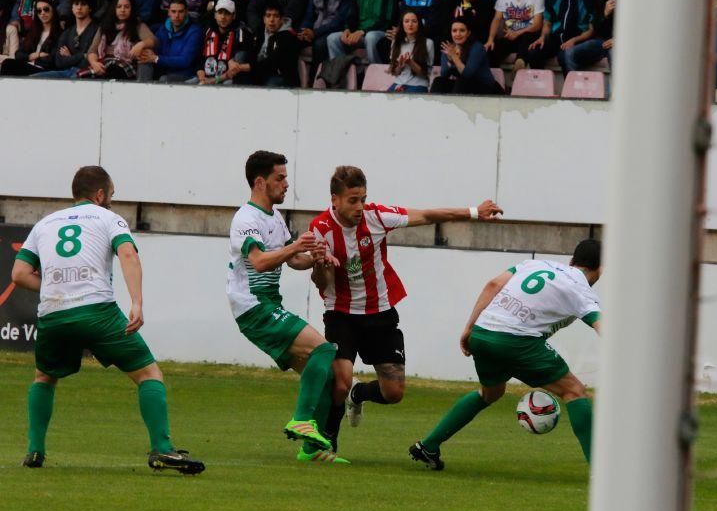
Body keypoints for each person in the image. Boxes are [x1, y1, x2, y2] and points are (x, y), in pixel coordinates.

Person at [10, 165, 205, 474]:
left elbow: (19, 274)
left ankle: (35, 451)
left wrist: (52, 287)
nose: (112, 200)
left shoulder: (45, 224)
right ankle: (162, 449)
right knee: (148, 375)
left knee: (44, 378)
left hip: (53, 313)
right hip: (97, 312)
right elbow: (128, 255)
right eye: (112, 194)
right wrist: (137, 303)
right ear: (100, 195)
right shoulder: (108, 218)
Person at [308, 165, 503, 453]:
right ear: (334, 199)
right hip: (341, 315)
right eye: (352, 200)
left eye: (362, 198)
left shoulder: (376, 217)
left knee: (394, 392)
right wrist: (322, 268)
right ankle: (327, 443)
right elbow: (319, 281)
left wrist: (474, 212)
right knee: (339, 380)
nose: (360, 206)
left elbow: (425, 215)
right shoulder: (321, 229)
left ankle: (358, 393)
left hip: (380, 314)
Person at [409, 239, 602, 471]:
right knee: (574, 391)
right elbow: (601, 325)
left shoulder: (536, 264)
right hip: (516, 341)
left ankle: (428, 446)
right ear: (601, 268)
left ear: (572, 260)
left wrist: (469, 328)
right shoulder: (581, 289)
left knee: (490, 393)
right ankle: (601, 472)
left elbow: (493, 285)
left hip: (483, 332)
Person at [227, 151, 348, 465]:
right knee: (324, 350)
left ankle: (311, 451)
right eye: (279, 178)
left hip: (267, 304)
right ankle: (301, 420)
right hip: (253, 305)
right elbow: (259, 261)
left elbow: (293, 260)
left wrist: (316, 256)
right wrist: (297, 245)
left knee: (323, 375)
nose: (286, 184)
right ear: (260, 182)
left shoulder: (273, 218)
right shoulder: (246, 218)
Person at [525, 0, 594, 74]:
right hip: (555, 39)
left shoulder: (589, 0)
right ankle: (540, 87)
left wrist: (574, 40)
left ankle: (570, 90)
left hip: (577, 41)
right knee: (534, 51)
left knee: (564, 56)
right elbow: (547, 23)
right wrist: (542, 37)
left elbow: (591, 30)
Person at [326, 0, 396, 64]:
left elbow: (385, 21)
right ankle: (340, 74)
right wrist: (348, 29)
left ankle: (375, 73)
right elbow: (351, 16)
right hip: (360, 34)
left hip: (379, 33)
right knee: (332, 38)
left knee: (371, 37)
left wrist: (363, 31)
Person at [485, 0, 543, 71]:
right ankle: (497, 82)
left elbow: (537, 24)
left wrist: (517, 33)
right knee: (490, 50)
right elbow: (497, 19)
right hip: (510, 37)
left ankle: (520, 63)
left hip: (528, 37)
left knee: (528, 36)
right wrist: (491, 39)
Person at [557, 0, 613, 75]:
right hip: (600, 42)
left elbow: (640, 26)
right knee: (568, 53)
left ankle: (618, 93)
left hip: (620, 44)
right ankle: (574, 90)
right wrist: (605, 15)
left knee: (618, 58)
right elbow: (595, 29)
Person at [85, 0, 155, 79]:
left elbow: (153, 40)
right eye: (119, 7)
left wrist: (141, 44)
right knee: (86, 75)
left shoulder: (138, 25)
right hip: (104, 62)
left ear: (132, 9)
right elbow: (92, 51)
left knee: (113, 70)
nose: (122, 10)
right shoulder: (104, 26)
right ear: (114, 9)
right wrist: (94, 63)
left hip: (126, 63)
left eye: (126, 7)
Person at [297, 0, 349, 67]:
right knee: (291, 40)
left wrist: (315, 33)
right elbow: (309, 15)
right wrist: (304, 31)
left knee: (320, 44)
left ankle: (317, 80)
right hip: (315, 31)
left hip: (333, 32)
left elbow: (340, 20)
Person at [32, 0, 94, 77]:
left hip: (85, 72)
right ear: (72, 8)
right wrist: (81, 56)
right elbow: (59, 62)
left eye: (83, 4)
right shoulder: (67, 32)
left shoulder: (96, 29)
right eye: (76, 4)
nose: (79, 8)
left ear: (90, 8)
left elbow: (89, 60)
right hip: (66, 72)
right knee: (33, 79)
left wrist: (70, 57)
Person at [432, 16, 503, 94]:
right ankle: (435, 105)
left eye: (462, 30)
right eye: (454, 31)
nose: (458, 34)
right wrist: (450, 60)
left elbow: (467, 74)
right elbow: (444, 74)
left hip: (487, 88)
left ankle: (456, 105)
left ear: (468, 33)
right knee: (439, 81)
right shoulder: (449, 48)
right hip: (465, 87)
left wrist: (454, 57)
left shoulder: (477, 47)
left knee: (462, 82)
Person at [137, 0, 202, 81]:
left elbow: (185, 61)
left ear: (186, 12)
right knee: (144, 62)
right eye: (173, 12)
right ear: (169, 13)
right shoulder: (162, 29)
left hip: (184, 74)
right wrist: (149, 53)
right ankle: (142, 92)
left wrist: (157, 58)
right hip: (163, 71)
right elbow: (155, 51)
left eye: (180, 12)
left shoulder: (194, 31)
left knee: (164, 79)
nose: (176, 15)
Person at [191, 0, 254, 84]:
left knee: (226, 85)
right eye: (220, 13)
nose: (223, 17)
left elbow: (235, 69)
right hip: (206, 78)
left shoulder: (241, 34)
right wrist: (202, 78)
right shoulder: (207, 31)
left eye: (227, 13)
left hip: (227, 80)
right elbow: (198, 60)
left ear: (234, 16)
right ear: (215, 15)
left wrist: (212, 81)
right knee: (189, 83)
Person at [0, 0, 58, 74]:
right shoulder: (34, 32)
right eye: (39, 11)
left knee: (8, 64)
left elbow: (54, 59)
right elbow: (18, 54)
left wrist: (34, 59)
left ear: (53, 10)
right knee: (8, 64)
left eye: (46, 9)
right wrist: (34, 55)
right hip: (30, 65)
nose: (42, 13)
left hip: (44, 70)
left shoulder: (59, 33)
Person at [249, 2, 302, 86]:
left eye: (275, 16)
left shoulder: (288, 36)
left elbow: (272, 63)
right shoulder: (260, 33)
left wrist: (248, 67)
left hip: (281, 77)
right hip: (261, 71)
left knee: (270, 84)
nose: (271, 20)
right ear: (264, 19)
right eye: (268, 15)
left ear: (281, 19)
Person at [386, 9, 432, 92]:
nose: (410, 24)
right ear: (402, 24)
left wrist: (410, 63)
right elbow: (394, 73)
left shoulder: (428, 43)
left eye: (414, 21)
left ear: (419, 24)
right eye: (406, 21)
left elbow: (425, 74)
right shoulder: (396, 41)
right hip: (398, 83)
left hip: (418, 84)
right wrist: (400, 66)